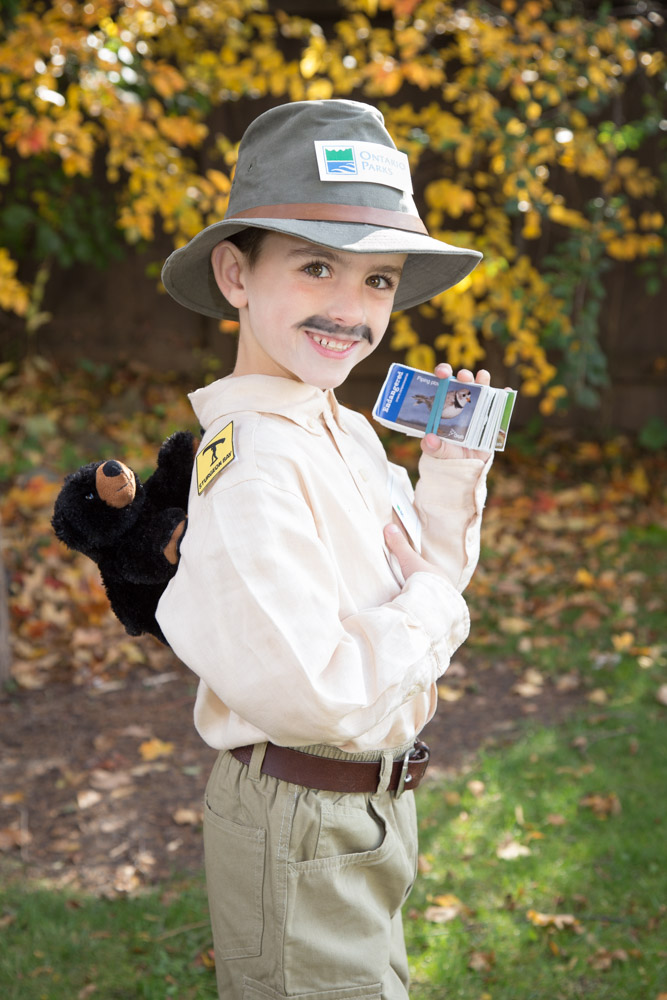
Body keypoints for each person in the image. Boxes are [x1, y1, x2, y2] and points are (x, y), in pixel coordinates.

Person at [157, 99, 493, 1000]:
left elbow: (426, 577)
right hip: (300, 813)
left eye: (379, 280)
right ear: (235, 272)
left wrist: (451, 476)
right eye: (316, 267)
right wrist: (433, 606)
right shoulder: (251, 465)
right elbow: (324, 691)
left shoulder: (340, 430)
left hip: (367, 808)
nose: (352, 310)